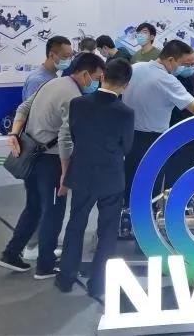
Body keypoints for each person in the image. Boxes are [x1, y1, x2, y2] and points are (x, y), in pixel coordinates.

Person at [0, 52, 106, 277]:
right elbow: (65, 139)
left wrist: (14, 133)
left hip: (30, 156)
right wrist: (65, 174)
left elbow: (23, 107)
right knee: (54, 212)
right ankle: (45, 265)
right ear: (86, 74)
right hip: (51, 161)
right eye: (97, 78)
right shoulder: (74, 97)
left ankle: (10, 253)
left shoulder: (51, 83)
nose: (98, 83)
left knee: (34, 207)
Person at [55, 58, 134, 298]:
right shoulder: (125, 113)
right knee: (107, 232)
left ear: (102, 76)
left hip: (82, 172)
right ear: (126, 85)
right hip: (111, 177)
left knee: (75, 224)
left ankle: (66, 277)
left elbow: (74, 135)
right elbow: (127, 147)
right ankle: (98, 284)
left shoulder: (78, 104)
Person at [121, 40, 194, 232]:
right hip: (153, 140)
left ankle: (125, 222)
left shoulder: (136, 68)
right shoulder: (167, 80)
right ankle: (144, 229)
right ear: (171, 60)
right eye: (186, 64)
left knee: (130, 181)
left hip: (128, 136)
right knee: (149, 186)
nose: (190, 68)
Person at [23, 36, 74, 101]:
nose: (69, 60)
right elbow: (34, 107)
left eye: (70, 57)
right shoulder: (37, 81)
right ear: (51, 55)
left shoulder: (52, 76)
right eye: (65, 56)